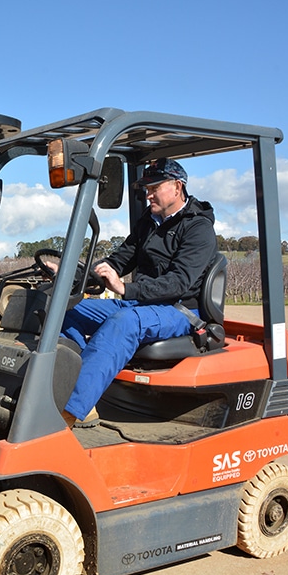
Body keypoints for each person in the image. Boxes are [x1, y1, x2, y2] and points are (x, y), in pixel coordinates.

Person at [60, 158, 217, 427]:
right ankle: (81, 394)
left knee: (123, 323)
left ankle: (67, 414)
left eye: (154, 187)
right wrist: (75, 274)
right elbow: (120, 259)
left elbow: (178, 282)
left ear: (178, 186)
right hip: (142, 304)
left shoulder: (198, 228)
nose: (148, 194)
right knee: (65, 309)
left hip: (178, 310)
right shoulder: (150, 222)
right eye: (146, 188)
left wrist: (125, 288)